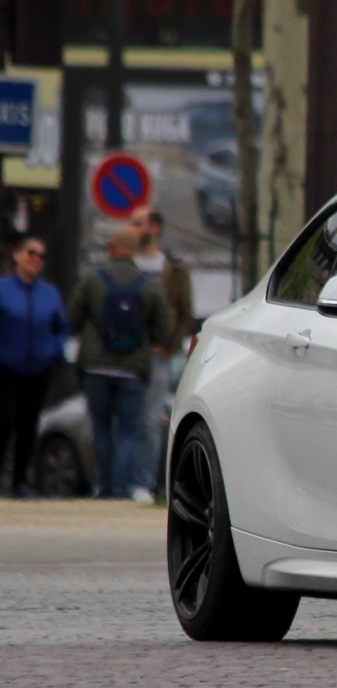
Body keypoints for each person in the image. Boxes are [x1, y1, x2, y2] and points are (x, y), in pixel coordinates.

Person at [67, 226, 169, 501]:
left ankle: (103, 485)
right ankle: (123, 489)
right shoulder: (148, 285)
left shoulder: (92, 280)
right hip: (132, 370)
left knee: (101, 428)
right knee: (128, 430)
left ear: (112, 248)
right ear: (135, 250)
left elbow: (72, 318)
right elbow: (163, 329)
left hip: (96, 368)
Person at [128, 206, 194, 493]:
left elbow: (185, 311)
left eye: (139, 223)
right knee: (125, 420)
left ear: (155, 228)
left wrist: (169, 343)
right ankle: (116, 484)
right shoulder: (124, 265)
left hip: (157, 355)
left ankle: (142, 484)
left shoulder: (174, 270)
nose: (134, 229)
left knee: (150, 422)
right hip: (125, 354)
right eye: (132, 224)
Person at [0, 236, 68, 496]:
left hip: (38, 370)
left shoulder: (49, 294)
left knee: (29, 425)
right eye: (31, 252)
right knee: (5, 421)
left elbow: (60, 327)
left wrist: (54, 350)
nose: (36, 259)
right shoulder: (4, 289)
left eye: (41, 255)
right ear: (17, 255)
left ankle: (20, 481)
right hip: (6, 368)